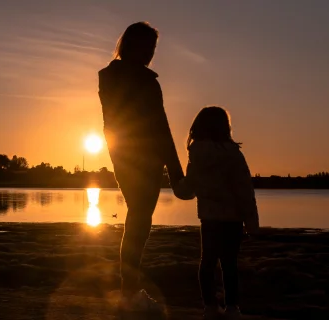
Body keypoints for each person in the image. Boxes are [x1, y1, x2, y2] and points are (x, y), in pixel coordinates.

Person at [98, 21, 187, 314]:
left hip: (121, 153)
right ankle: (129, 292)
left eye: (154, 48)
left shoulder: (109, 76)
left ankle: (129, 289)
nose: (151, 53)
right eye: (148, 47)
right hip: (138, 154)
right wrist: (176, 172)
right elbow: (159, 126)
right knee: (139, 220)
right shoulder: (144, 81)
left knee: (138, 218)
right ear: (133, 45)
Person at [176, 106, 259, 319]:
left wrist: (177, 184)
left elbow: (189, 189)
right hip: (233, 217)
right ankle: (232, 308)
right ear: (225, 127)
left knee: (207, 262)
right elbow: (244, 189)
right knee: (229, 263)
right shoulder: (233, 154)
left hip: (210, 217)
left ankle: (210, 307)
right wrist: (251, 221)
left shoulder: (197, 154)